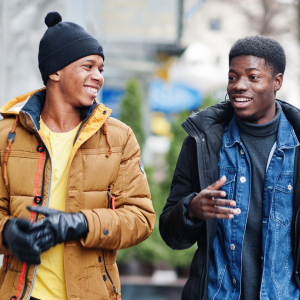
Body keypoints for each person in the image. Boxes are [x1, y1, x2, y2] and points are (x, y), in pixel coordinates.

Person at [0, 11, 155, 300]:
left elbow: (141, 218)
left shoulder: (118, 137)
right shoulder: (7, 134)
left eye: (101, 68)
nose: (98, 76)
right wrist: (7, 232)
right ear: (55, 71)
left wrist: (81, 224)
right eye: (88, 66)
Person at [159, 35, 300, 300]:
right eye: (233, 77)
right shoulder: (202, 143)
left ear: (277, 82)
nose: (239, 86)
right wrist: (192, 209)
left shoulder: (297, 146)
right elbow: (171, 235)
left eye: (253, 77)